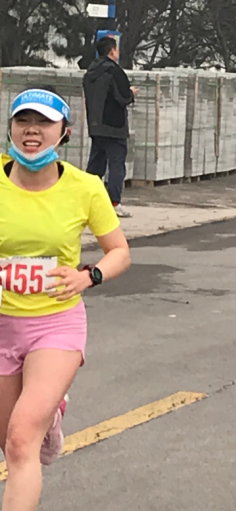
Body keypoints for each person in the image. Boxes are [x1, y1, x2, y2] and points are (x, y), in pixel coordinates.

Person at [0, 86, 131, 511]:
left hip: (56, 323)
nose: (31, 130)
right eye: (23, 121)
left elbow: (119, 252)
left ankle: (44, 411)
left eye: (43, 123)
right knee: (10, 443)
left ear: (65, 133)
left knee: (21, 440)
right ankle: (52, 414)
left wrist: (87, 276)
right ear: (10, 129)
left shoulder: (84, 187)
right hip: (3, 323)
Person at [83, 36, 138, 218]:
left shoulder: (90, 72)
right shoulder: (114, 71)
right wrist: (131, 93)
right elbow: (122, 96)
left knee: (95, 165)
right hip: (114, 127)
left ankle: (86, 200)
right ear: (112, 51)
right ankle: (114, 202)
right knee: (116, 166)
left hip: (95, 125)